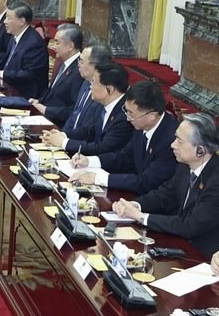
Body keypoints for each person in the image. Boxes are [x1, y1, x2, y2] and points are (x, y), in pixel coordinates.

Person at [113, 113, 219, 258]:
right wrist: (135, 205)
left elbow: (190, 226)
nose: (172, 145)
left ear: (200, 150)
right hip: (178, 243)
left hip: (203, 256)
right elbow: (165, 195)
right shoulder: (185, 166)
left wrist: (141, 217)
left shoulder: (216, 180)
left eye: (179, 141)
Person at [69, 81, 178, 195]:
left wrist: (99, 178)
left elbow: (147, 182)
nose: (127, 118)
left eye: (131, 113)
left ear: (152, 116)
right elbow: (124, 157)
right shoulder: (141, 123)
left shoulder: (170, 140)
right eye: (126, 111)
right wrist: (89, 161)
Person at [43, 61, 132, 155]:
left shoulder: (125, 115)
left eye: (94, 83)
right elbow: (87, 130)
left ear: (110, 89)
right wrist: (61, 135)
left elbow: (101, 148)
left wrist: (64, 142)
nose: (90, 87)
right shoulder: (103, 105)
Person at [0, 1, 49, 99]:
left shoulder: (33, 43)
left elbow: (29, 75)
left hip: (24, 94)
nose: (5, 21)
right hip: (9, 85)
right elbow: (9, 60)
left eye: (9, 18)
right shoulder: (15, 35)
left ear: (22, 21)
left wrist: (1, 73)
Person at [50, 44, 112, 141]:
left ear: (96, 65)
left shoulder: (103, 93)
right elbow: (74, 114)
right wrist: (62, 134)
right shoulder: (86, 82)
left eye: (81, 61)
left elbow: (89, 131)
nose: (78, 64)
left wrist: (65, 140)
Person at [28, 23, 85, 128]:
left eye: (57, 43)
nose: (54, 47)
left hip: (58, 126)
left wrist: (46, 110)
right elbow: (54, 93)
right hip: (46, 119)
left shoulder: (80, 71)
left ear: (70, 46)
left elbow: (74, 109)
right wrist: (39, 101)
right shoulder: (64, 63)